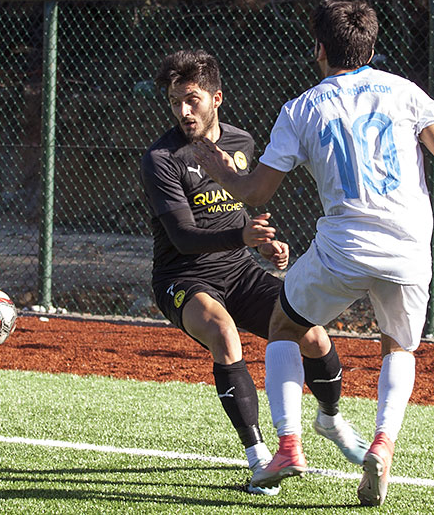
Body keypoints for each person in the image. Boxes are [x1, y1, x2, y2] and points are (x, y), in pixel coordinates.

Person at [192, 0, 434, 506]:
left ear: (319, 49)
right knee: (398, 348)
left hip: (343, 250)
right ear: (373, 49)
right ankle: (383, 443)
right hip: (407, 248)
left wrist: (224, 172)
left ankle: (288, 445)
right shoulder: (406, 92)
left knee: (285, 326)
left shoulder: (302, 108)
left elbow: (259, 193)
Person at [140, 49, 370, 496]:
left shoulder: (242, 143)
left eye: (192, 100)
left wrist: (264, 243)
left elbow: (237, 213)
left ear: (216, 97)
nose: (184, 112)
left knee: (315, 336)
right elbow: (185, 238)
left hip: (239, 269)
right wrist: (243, 236)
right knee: (224, 334)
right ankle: (259, 456)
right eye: (175, 103)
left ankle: (331, 419)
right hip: (182, 276)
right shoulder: (160, 158)